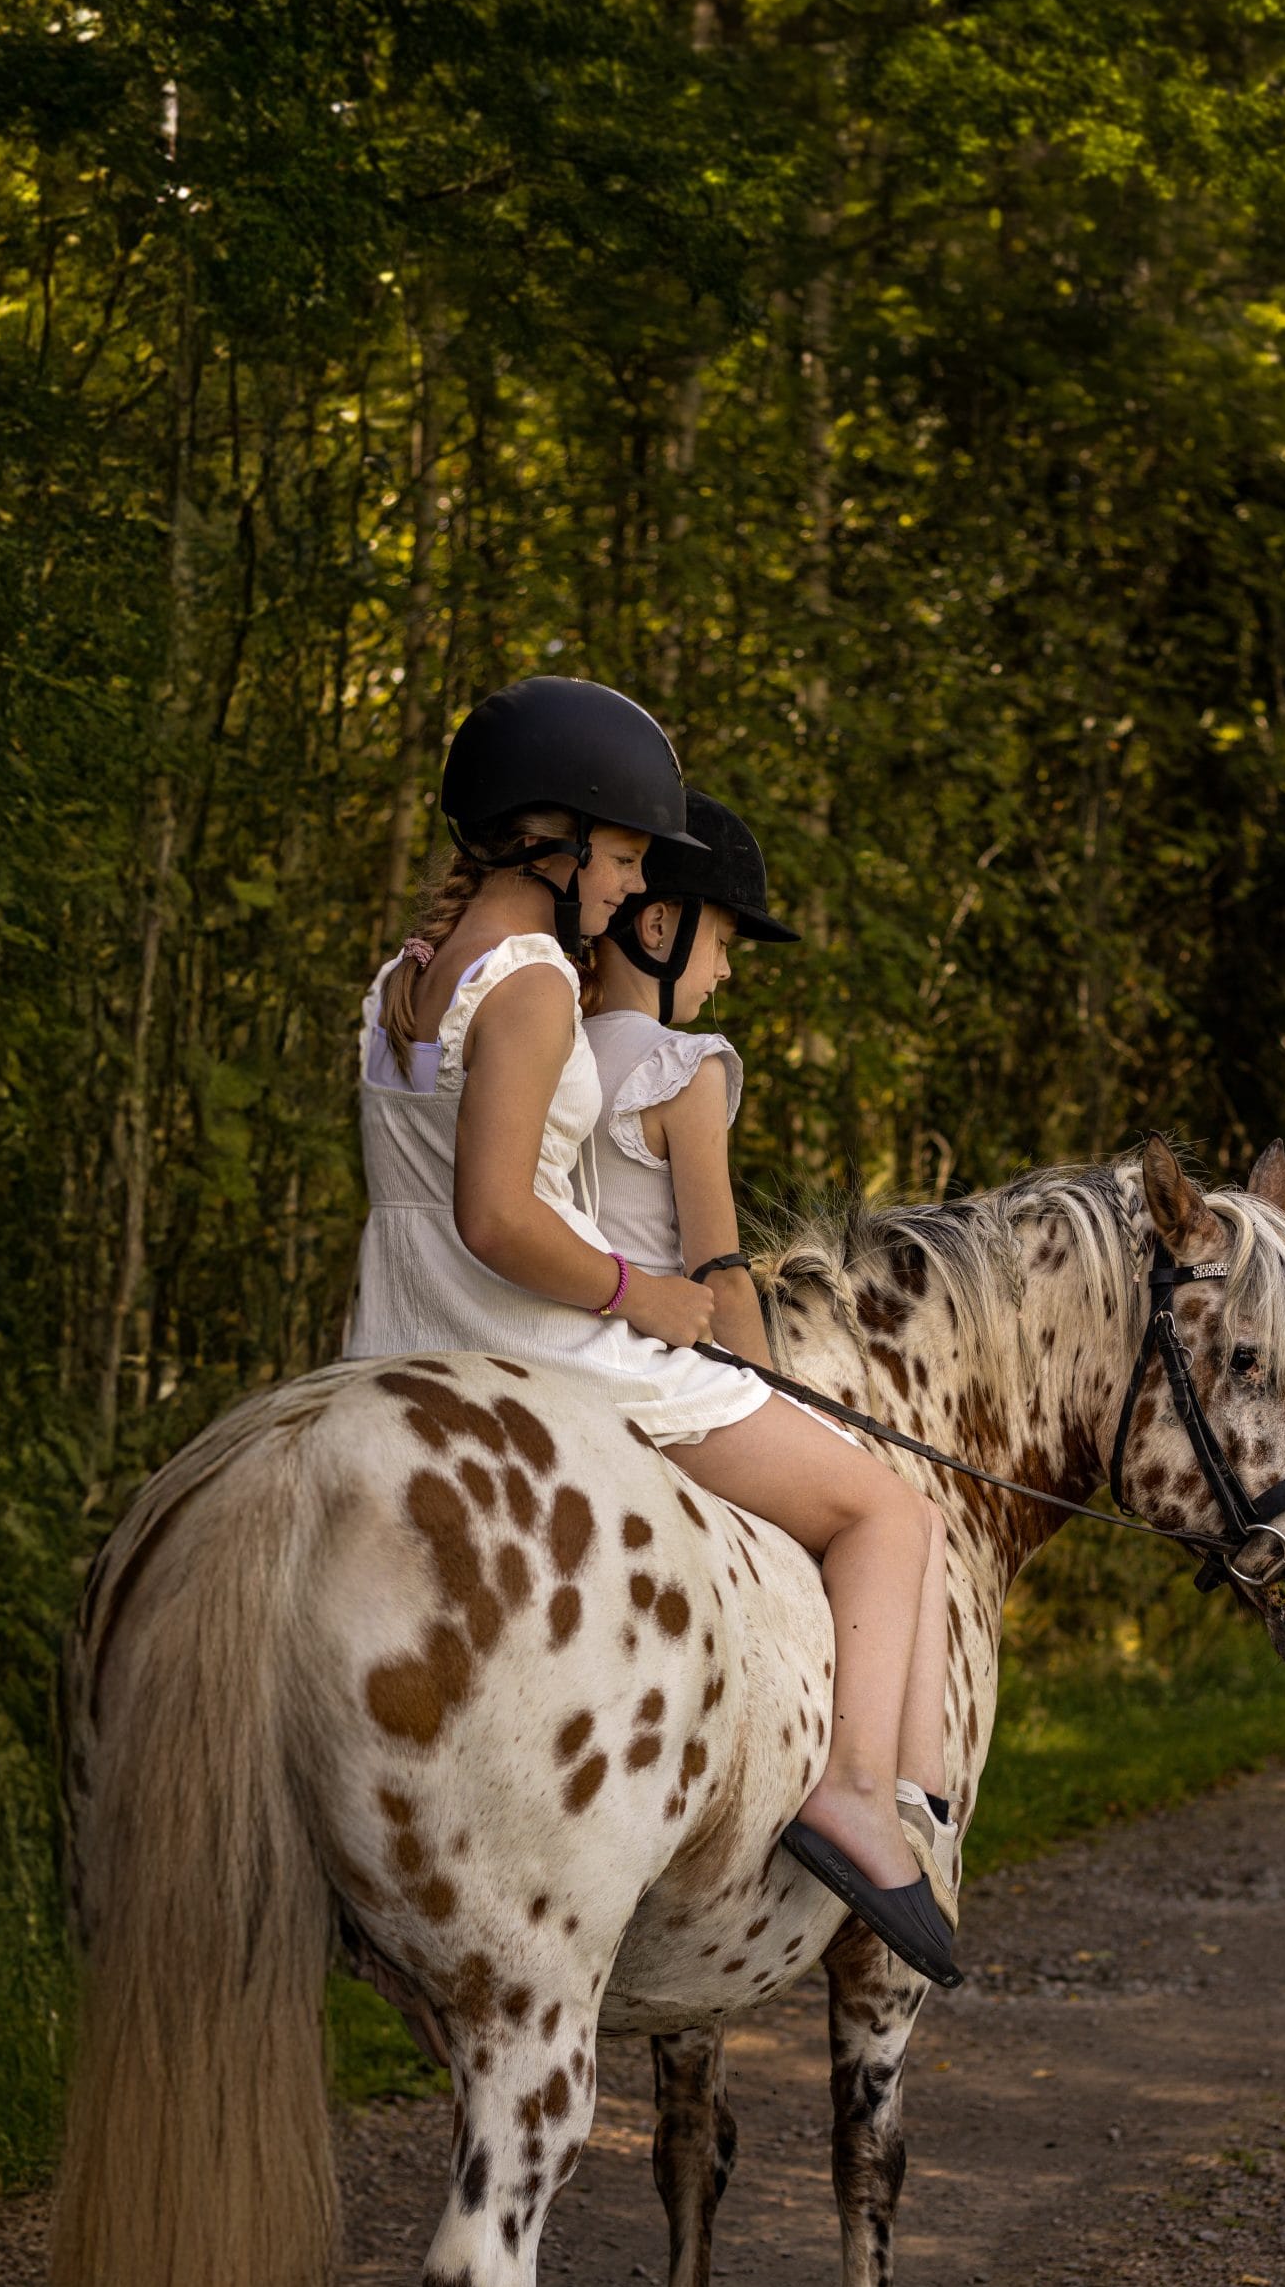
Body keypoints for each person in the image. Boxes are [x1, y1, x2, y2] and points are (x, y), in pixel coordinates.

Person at [346, 678, 957, 1983]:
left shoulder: (402, 983)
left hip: (394, 1348)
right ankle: (857, 1791)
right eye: (622, 856)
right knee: (885, 1511)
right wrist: (652, 1298)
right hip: (536, 1342)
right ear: (550, 844)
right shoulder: (530, 990)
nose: (630, 889)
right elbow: (502, 1220)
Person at [584, 788, 961, 1918]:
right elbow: (716, 1267)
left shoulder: (544, 1052)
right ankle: (874, 1791)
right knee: (899, 1514)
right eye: (724, 941)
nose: (727, 972)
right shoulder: (682, 1065)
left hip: (558, 1353)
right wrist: (782, 1394)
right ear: (657, 929)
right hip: (661, 1376)